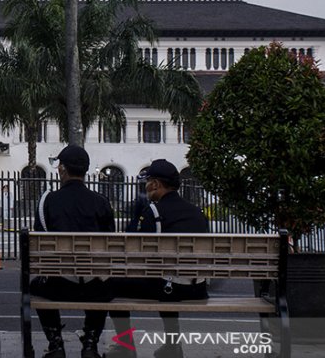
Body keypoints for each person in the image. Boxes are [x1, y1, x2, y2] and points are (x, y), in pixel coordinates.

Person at [106, 159, 209, 358]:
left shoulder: (153, 211)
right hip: (197, 288)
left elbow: (135, 253)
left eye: (147, 182)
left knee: (112, 285)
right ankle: (172, 344)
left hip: (168, 287)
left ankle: (125, 345)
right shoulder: (197, 213)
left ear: (155, 184)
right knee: (168, 276)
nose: (145, 186)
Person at [31, 145, 115, 358]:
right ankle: (90, 343)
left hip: (58, 285)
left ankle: (56, 343)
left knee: (34, 285)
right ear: (86, 171)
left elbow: (40, 242)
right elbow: (110, 243)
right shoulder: (101, 202)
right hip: (94, 286)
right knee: (103, 283)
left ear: (62, 169)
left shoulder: (48, 201)